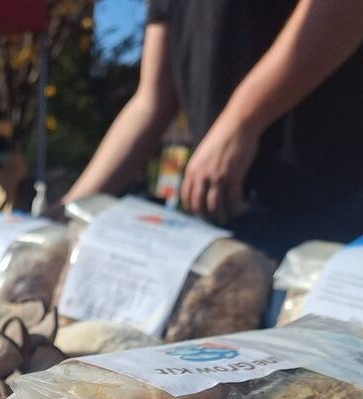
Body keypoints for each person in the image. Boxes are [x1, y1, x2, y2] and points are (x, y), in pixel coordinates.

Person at [63, 1, 363, 258]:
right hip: (225, 219)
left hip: (329, 207)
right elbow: (151, 101)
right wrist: (68, 211)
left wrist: (241, 122)